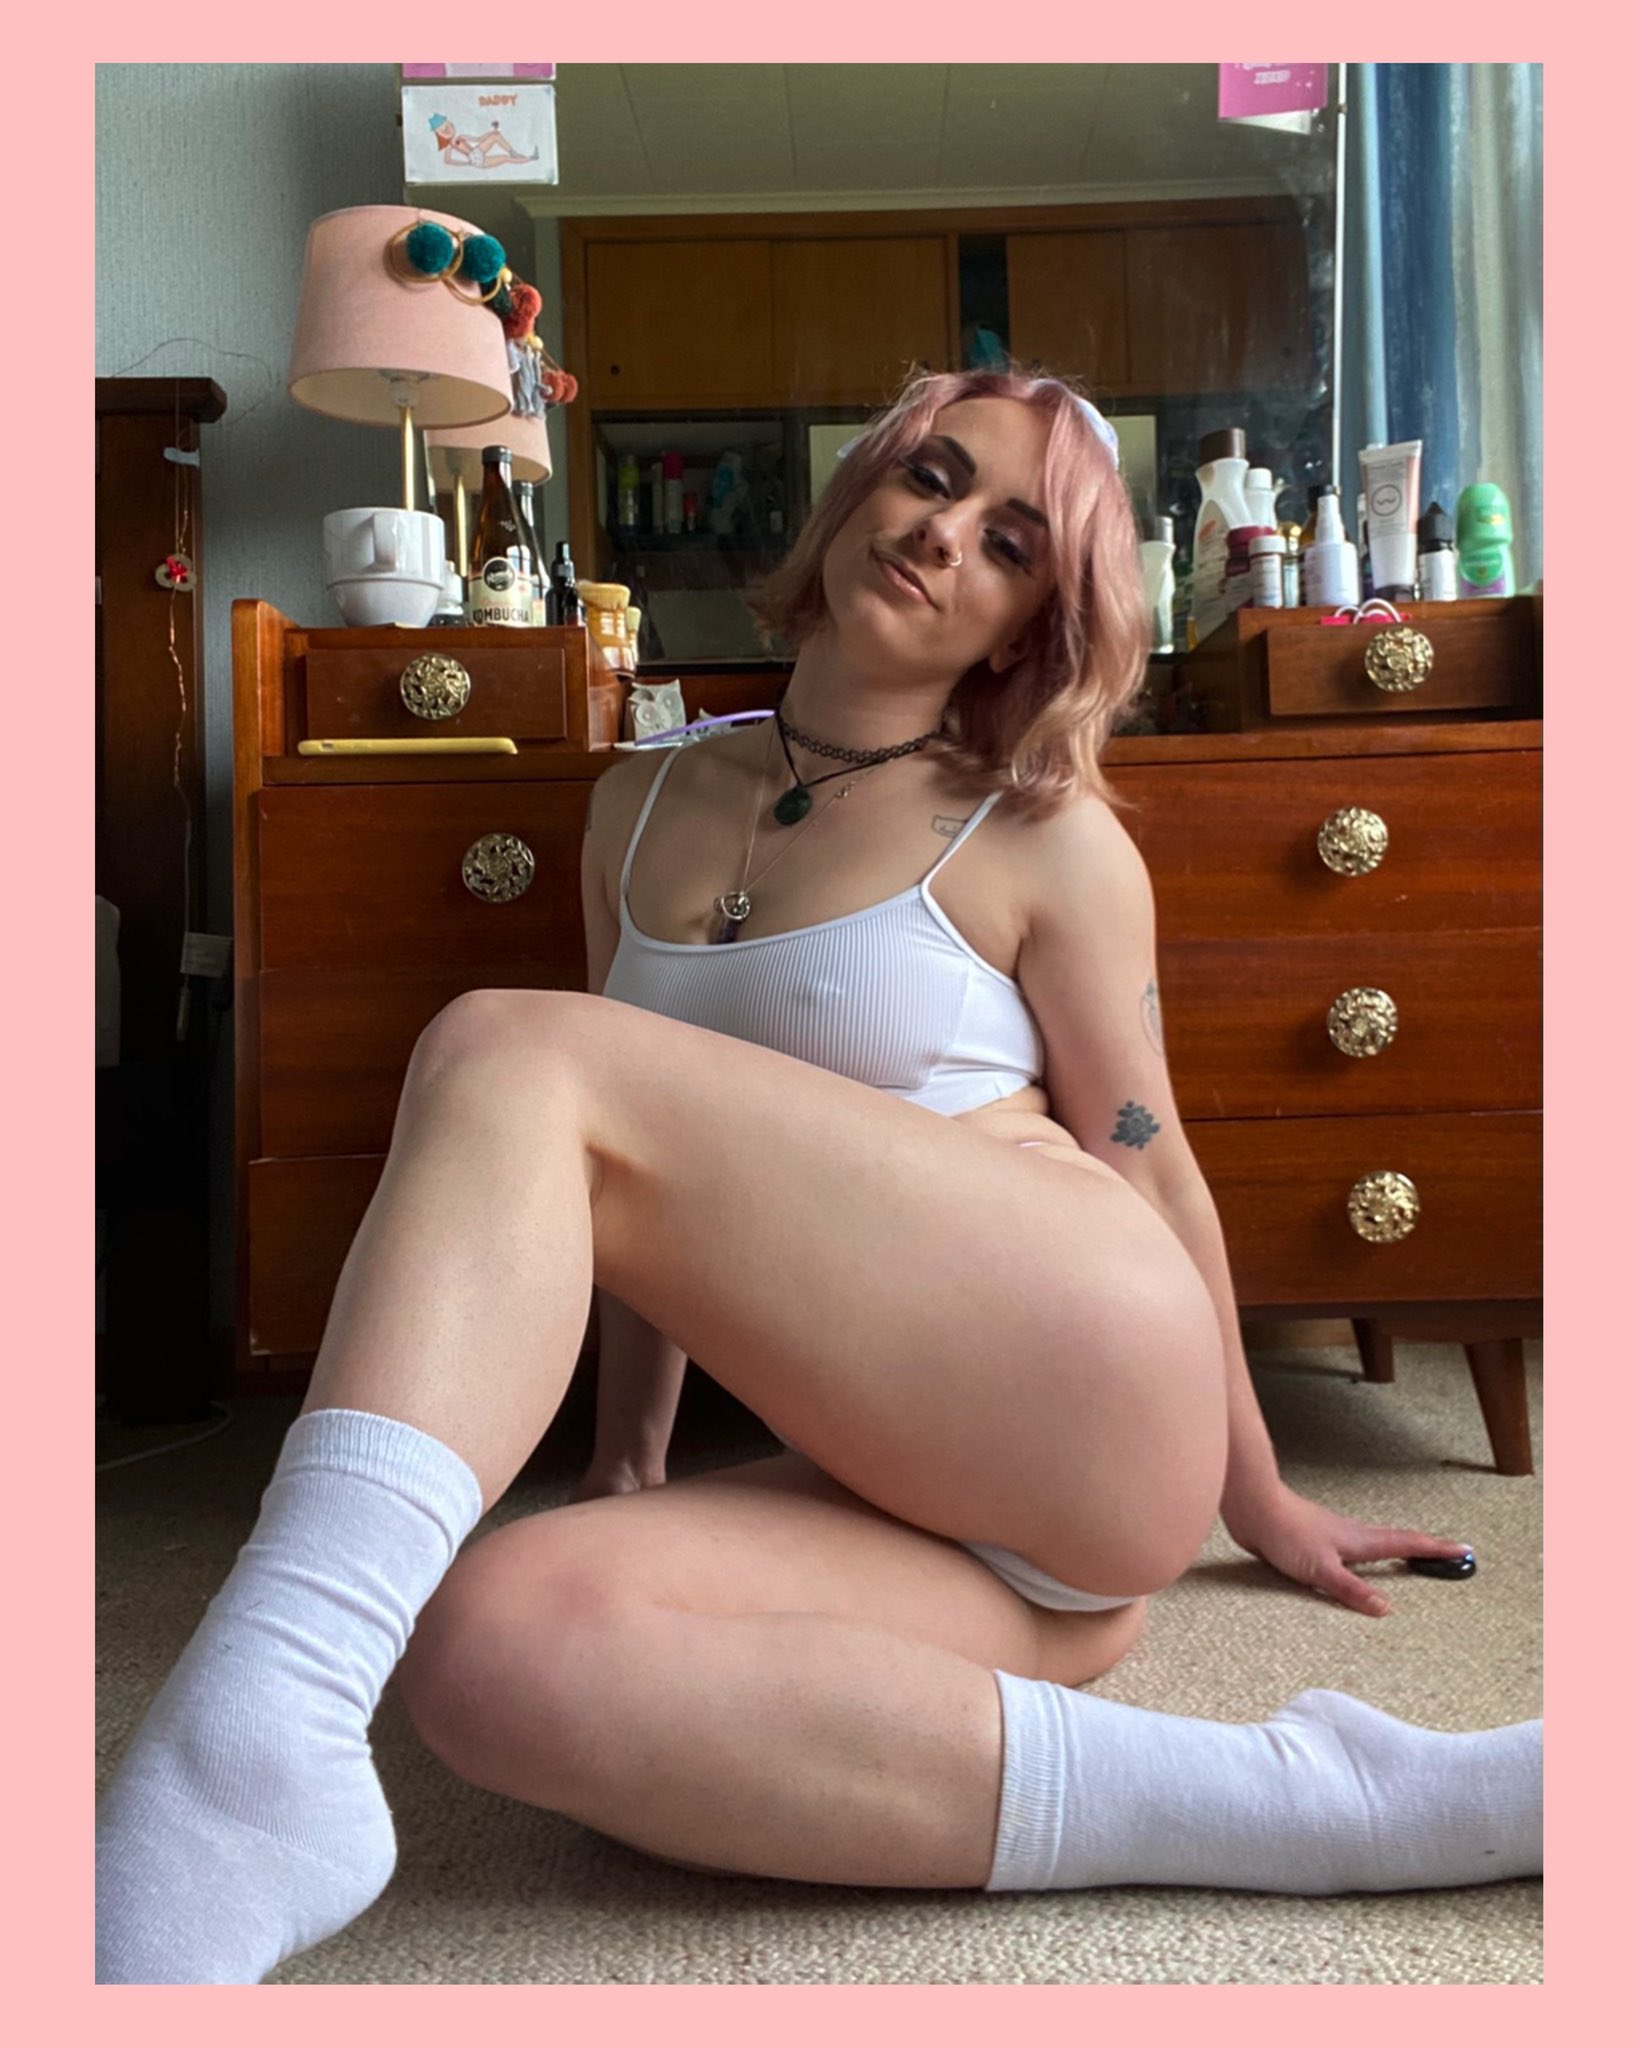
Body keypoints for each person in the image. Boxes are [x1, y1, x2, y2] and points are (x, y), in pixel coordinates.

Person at [95, 369, 1541, 1985]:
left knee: (510, 1048)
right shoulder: (638, 801)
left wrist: (1254, 1495)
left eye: (1008, 542)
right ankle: (1328, 1799)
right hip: (952, 1513)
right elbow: (614, 1194)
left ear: (1028, 627)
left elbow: (1155, 1172)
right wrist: (629, 1467)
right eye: (929, 475)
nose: (940, 532)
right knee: (491, 1648)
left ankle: (258, 1715)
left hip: (1083, 1378)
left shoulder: (1041, 834)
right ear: (859, 487)